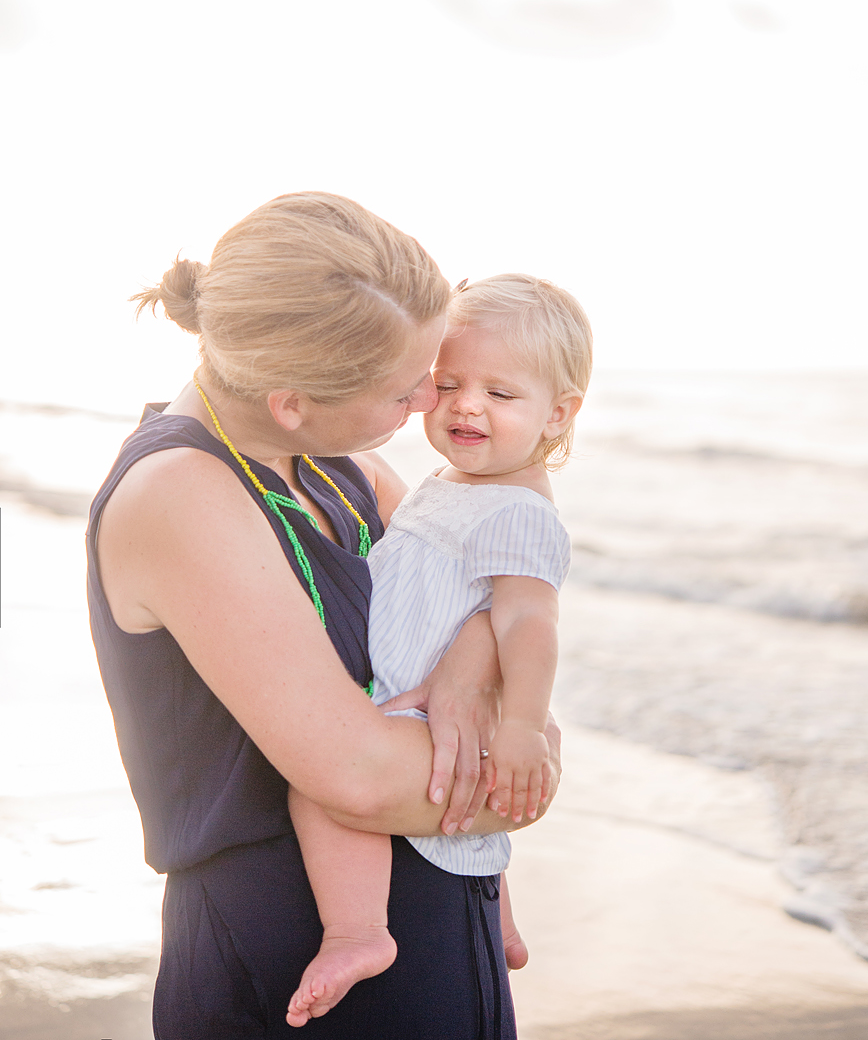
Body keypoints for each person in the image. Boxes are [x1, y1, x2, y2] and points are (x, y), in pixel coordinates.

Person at [86, 192, 561, 1039]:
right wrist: (527, 779)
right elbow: (362, 776)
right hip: (293, 970)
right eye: (403, 385)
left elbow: (477, 591)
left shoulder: (331, 465)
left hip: (442, 922)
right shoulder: (182, 493)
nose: (427, 399)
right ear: (292, 399)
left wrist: (468, 665)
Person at [287, 274, 592, 1026]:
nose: (466, 404)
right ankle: (500, 920)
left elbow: (528, 622)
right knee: (462, 814)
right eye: (449, 381)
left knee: (320, 787)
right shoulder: (456, 481)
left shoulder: (519, 510)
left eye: (500, 392)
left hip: (416, 707)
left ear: (559, 412)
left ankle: (358, 931)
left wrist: (523, 723)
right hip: (415, 689)